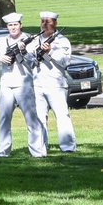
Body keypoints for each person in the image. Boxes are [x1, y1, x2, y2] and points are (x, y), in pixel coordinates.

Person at [0, 12, 46, 157]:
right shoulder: (2, 41)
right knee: (4, 118)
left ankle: (37, 151)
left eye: (15, 25)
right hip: (6, 83)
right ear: (7, 26)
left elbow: (33, 61)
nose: (13, 28)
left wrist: (23, 51)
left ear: (20, 25)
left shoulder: (30, 40)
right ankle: (3, 150)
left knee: (31, 118)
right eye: (10, 25)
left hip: (24, 83)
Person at [32, 11, 76, 152]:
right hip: (38, 82)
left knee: (62, 116)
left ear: (55, 23)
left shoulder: (62, 41)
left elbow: (65, 61)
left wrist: (50, 51)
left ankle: (68, 146)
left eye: (48, 22)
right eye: (42, 21)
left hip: (55, 83)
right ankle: (40, 146)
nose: (44, 24)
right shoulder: (35, 39)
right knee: (39, 117)